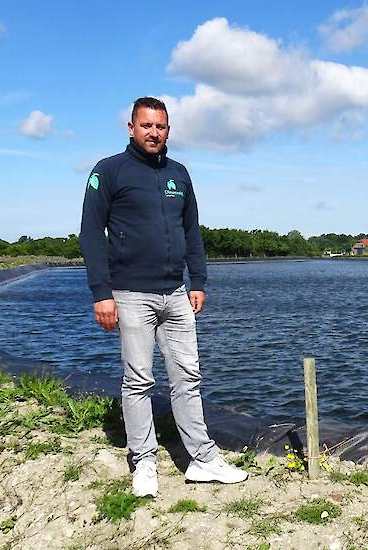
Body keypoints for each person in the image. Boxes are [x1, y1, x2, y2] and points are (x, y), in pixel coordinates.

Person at [79, 96, 247, 497]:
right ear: (131, 127)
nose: (154, 133)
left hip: (175, 292)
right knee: (138, 380)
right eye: (146, 125)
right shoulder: (109, 171)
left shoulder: (179, 174)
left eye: (161, 126)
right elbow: (90, 233)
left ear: (168, 130)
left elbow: (192, 232)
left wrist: (199, 280)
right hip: (131, 294)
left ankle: (203, 459)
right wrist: (101, 293)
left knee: (188, 376)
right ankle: (144, 460)